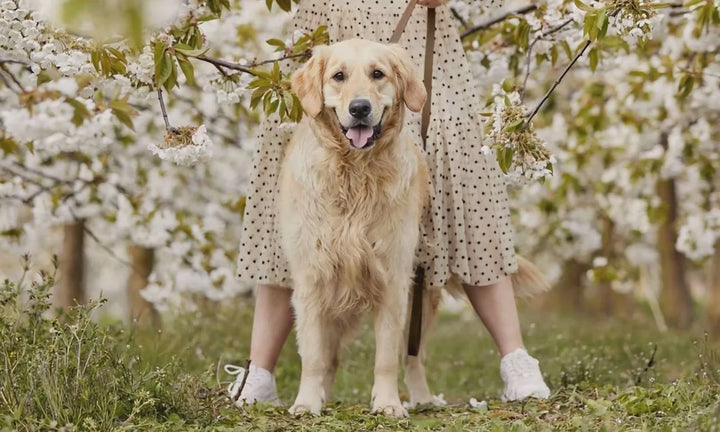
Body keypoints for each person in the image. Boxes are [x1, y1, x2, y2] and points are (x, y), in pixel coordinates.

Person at [228, 0, 551, 406]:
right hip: (321, 20)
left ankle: (515, 360)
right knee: (289, 172)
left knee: (464, 181)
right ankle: (260, 372)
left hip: (418, 29)